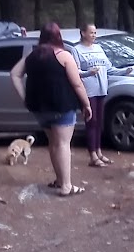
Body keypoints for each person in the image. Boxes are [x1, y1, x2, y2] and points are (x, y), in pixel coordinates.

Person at [10, 22, 92, 196]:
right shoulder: (64, 56)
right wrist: (86, 104)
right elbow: (77, 84)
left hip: (39, 108)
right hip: (62, 106)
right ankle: (66, 186)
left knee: (53, 144)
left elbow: (14, 74)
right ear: (58, 36)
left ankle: (59, 180)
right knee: (63, 144)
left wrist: (24, 97)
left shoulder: (32, 56)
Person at [72, 24, 112, 168]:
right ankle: (92, 155)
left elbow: (109, 67)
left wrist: (125, 71)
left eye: (95, 33)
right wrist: (89, 72)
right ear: (83, 33)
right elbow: (76, 71)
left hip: (102, 89)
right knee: (91, 121)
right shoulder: (76, 50)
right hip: (88, 90)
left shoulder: (99, 48)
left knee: (99, 122)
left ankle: (99, 151)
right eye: (91, 32)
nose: (94, 35)